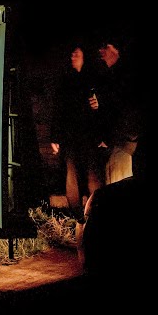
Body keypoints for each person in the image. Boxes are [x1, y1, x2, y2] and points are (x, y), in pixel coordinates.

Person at [49, 44, 104, 212]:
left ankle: (94, 212)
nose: (73, 57)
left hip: (88, 135)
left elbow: (101, 107)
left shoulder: (92, 80)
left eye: (77, 54)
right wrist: (55, 137)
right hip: (71, 136)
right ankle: (77, 215)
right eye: (72, 54)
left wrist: (98, 109)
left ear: (84, 57)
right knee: (72, 174)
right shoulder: (66, 80)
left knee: (92, 174)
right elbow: (58, 109)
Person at [91, 37, 140, 185]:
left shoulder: (124, 76)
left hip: (122, 143)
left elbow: (124, 110)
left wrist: (109, 137)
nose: (101, 51)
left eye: (106, 46)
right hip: (119, 142)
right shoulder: (113, 75)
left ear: (116, 50)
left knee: (117, 184)